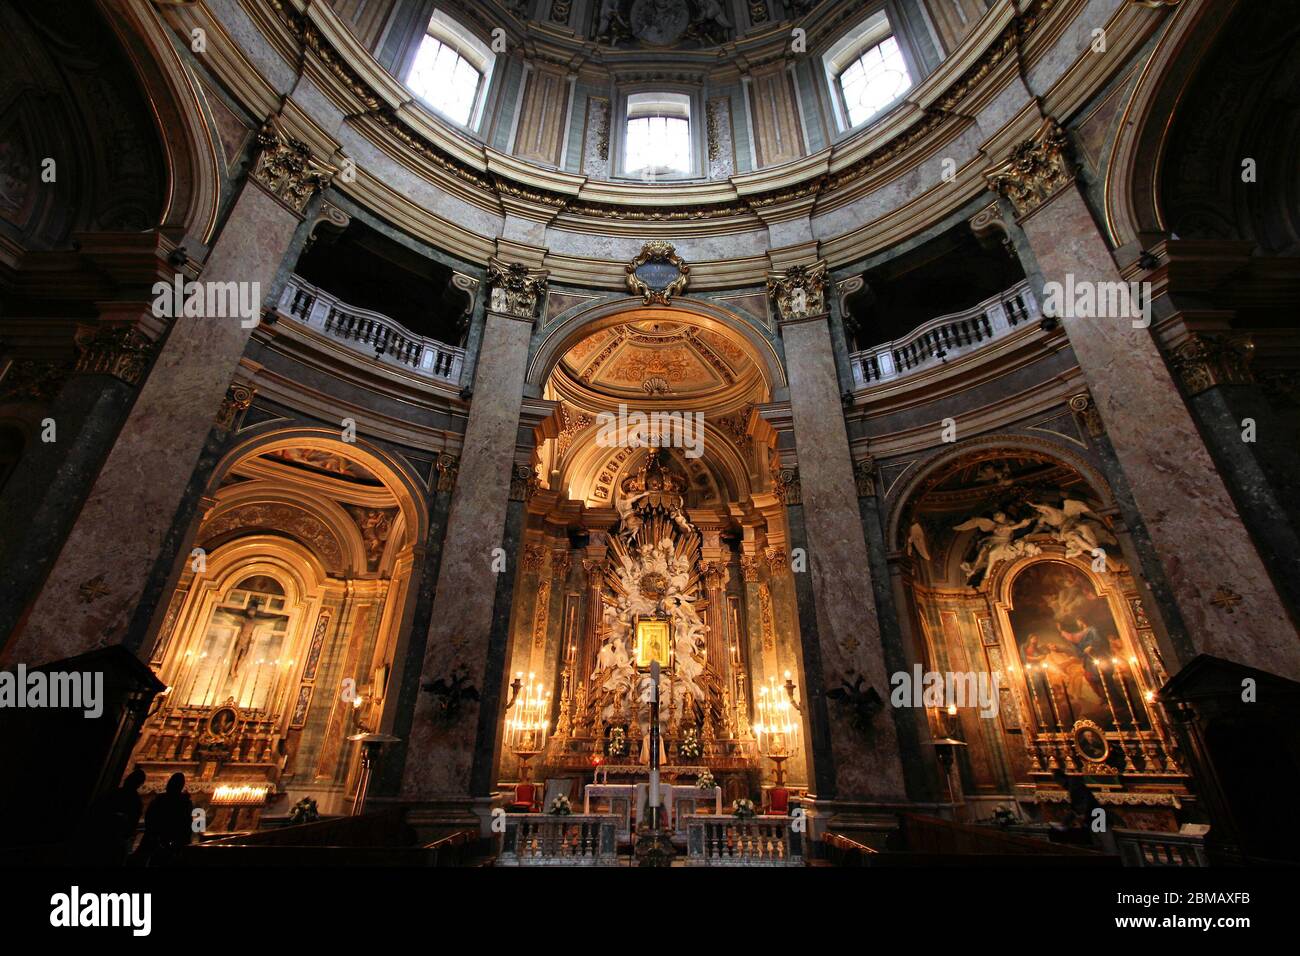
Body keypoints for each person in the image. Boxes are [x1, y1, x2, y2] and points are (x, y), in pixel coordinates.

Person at [86, 766, 146, 866]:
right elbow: (132, 823)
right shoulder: (135, 801)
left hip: (102, 836)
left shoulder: (112, 793)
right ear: (140, 784)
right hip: (114, 837)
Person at [1052, 768, 1118, 854]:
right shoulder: (1073, 785)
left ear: (1060, 779)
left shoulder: (1074, 787)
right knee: (1099, 848)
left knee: (1108, 847)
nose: (1058, 784)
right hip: (1093, 818)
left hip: (1097, 818)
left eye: (1057, 781)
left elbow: (1080, 806)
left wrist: (1066, 822)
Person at [134, 772, 194, 866]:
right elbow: (187, 822)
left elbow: (150, 816)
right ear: (181, 786)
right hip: (171, 837)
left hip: (159, 835)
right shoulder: (184, 802)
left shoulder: (161, 799)